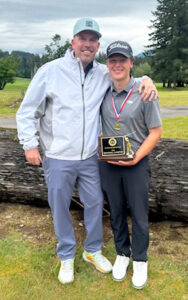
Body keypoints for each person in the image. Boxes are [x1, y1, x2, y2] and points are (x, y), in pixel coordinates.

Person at [16, 18, 158, 284]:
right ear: (73, 42)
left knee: (94, 204)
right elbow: (27, 111)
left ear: (97, 45)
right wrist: (29, 144)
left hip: (92, 156)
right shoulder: (51, 70)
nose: (87, 44)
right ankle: (67, 255)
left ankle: (92, 250)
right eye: (83, 38)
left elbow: (127, 76)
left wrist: (148, 79)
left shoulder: (103, 72)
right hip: (58, 156)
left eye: (93, 40)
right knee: (60, 207)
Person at [99, 41, 162, 289]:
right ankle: (122, 254)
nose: (117, 65)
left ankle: (140, 259)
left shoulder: (145, 92)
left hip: (136, 164)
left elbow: (156, 132)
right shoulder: (101, 90)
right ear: (107, 64)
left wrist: (136, 158)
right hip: (108, 165)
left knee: (138, 214)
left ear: (131, 63)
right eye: (112, 60)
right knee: (115, 212)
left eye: (122, 60)